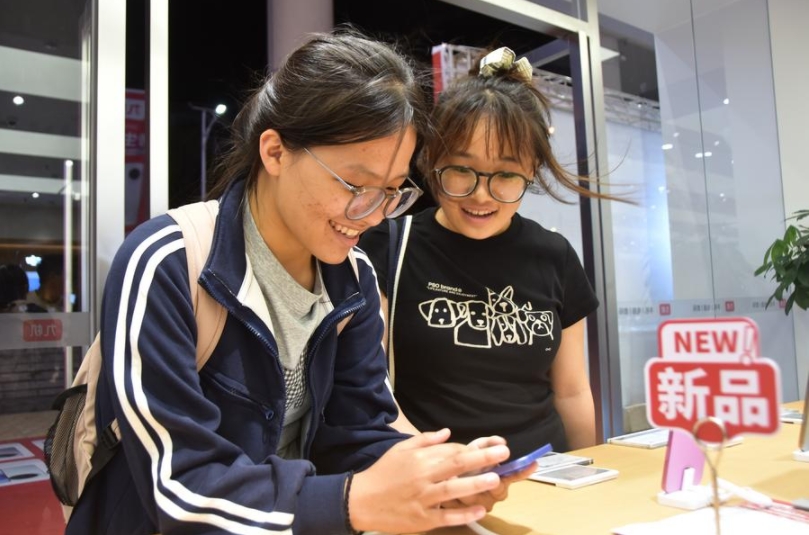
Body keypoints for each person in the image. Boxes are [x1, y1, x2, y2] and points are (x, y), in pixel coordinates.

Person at [67, 28, 525, 535]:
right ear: (275, 152)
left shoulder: (354, 278)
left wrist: (438, 479)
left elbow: (359, 432)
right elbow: (178, 488)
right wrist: (350, 501)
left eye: (392, 191)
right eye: (355, 184)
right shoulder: (168, 263)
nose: (373, 214)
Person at [359, 46, 629, 459]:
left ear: (531, 170)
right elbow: (371, 392)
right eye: (461, 170)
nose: (481, 195)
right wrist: (443, 466)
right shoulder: (389, 246)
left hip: (544, 474)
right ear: (432, 161)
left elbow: (572, 391)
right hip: (435, 477)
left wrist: (588, 470)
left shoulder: (554, 256)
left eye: (505, 174)